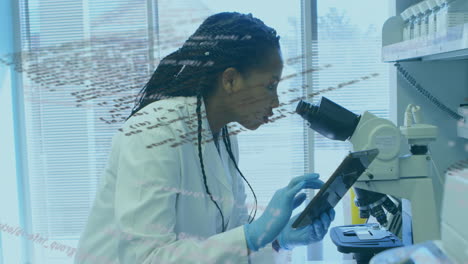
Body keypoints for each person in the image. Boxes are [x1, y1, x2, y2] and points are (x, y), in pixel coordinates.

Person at [75, 12, 335, 264]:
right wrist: (252, 236)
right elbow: (147, 258)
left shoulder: (223, 135)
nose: (276, 101)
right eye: (269, 86)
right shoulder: (154, 130)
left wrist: (278, 241)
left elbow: (228, 245)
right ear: (230, 80)